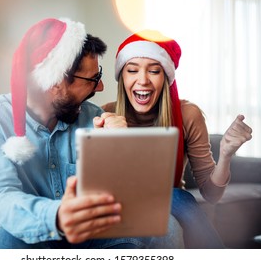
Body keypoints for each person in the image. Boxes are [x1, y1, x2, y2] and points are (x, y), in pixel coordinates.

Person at [0, 18, 184, 249]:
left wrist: (123, 147)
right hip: (36, 234)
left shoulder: (94, 117)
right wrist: (59, 215)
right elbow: (1, 198)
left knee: (167, 227)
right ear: (54, 82)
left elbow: (133, 198)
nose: (100, 88)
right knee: (4, 241)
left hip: (94, 235)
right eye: (93, 80)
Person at [102, 30, 253, 248]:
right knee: (180, 198)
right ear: (122, 77)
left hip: (171, 205)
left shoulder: (188, 115)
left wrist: (226, 155)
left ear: (165, 77)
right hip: (120, 206)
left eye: (154, 71)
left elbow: (211, 195)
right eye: (132, 70)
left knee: (175, 206)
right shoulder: (105, 115)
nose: (142, 80)